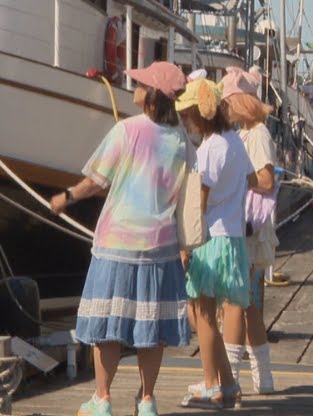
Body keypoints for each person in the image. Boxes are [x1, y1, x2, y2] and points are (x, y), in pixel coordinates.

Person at [50, 61, 192, 416]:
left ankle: (102, 399)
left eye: (140, 85)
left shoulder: (127, 130)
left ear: (151, 95)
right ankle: (146, 401)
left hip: (118, 242)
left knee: (107, 327)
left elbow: (97, 180)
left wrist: (65, 197)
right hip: (161, 246)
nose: (134, 89)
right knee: (152, 328)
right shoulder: (182, 139)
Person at [175, 78, 253, 409]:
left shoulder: (209, 149)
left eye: (188, 115)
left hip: (209, 237)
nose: (185, 121)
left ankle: (211, 384)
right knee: (206, 314)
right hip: (232, 236)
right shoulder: (234, 141)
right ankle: (229, 382)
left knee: (202, 314)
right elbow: (250, 180)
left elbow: (199, 201)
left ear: (198, 115)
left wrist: (185, 244)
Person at [219, 67, 277, 395]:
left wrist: (240, 177)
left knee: (236, 303)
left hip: (251, 227)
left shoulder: (256, 136)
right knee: (249, 305)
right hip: (249, 227)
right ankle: (263, 378)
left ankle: (233, 377)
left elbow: (266, 181)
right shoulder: (247, 134)